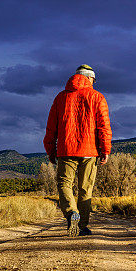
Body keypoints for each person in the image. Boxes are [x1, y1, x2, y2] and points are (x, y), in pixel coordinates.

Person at [43, 64, 112, 236]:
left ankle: (71, 213)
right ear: (89, 78)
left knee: (64, 184)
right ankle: (82, 225)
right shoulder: (97, 97)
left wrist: (51, 151)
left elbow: (51, 128)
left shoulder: (60, 97)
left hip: (66, 150)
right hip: (90, 151)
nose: (93, 83)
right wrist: (105, 150)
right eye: (93, 80)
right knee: (85, 189)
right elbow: (104, 126)